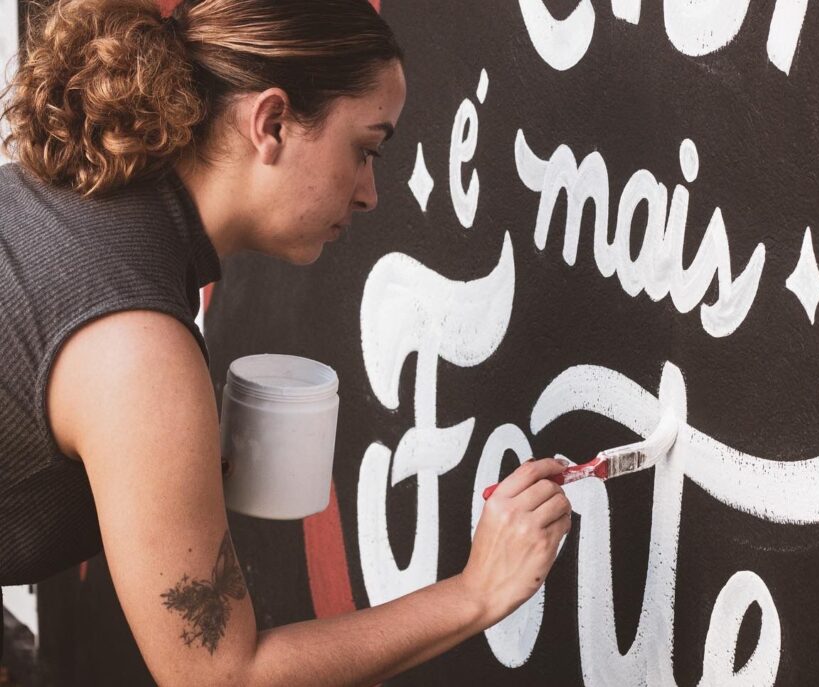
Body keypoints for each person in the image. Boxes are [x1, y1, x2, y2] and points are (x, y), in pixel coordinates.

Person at [0, 0, 572, 684]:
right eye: (364, 149)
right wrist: (477, 591)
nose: (369, 194)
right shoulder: (135, 345)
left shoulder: (70, 199)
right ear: (271, 123)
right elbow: (222, 676)